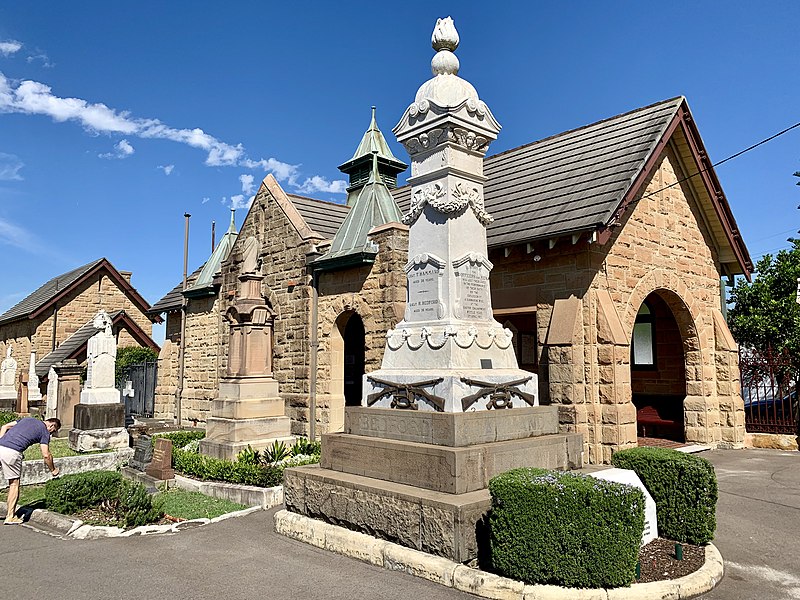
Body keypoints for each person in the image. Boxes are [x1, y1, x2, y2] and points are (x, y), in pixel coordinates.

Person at [0, 417, 61, 524]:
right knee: (14, 484)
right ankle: (10, 516)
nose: (51, 434)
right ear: (52, 426)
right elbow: (46, 455)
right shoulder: (44, 431)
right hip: (12, 452)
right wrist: (53, 469)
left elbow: (5, 426)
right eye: (53, 431)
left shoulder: (27, 419)